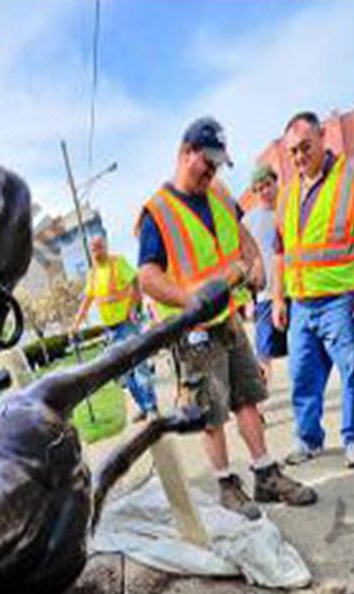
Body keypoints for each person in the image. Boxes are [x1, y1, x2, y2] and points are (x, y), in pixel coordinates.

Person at [135, 117, 318, 520]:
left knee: (247, 397)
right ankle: (225, 484)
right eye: (207, 163)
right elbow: (147, 276)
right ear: (185, 154)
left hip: (229, 319)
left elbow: (241, 233)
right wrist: (190, 300)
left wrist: (254, 263)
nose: (212, 172)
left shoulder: (218, 193)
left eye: (218, 165)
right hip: (194, 331)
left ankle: (265, 474)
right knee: (210, 412)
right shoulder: (158, 212)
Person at [274, 112, 354, 469]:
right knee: (302, 377)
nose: (299, 156)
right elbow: (281, 251)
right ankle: (308, 439)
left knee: (352, 371)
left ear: (323, 137)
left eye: (306, 147)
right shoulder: (287, 194)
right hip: (302, 303)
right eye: (292, 151)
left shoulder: (351, 177)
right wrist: (279, 297)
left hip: (342, 298)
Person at [69, 234, 160, 421]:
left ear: (106, 246)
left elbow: (136, 281)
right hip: (110, 330)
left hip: (127, 324)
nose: (97, 251)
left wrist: (134, 307)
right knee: (124, 373)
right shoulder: (92, 273)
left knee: (140, 366)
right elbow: (87, 300)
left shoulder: (118, 263)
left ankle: (151, 408)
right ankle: (143, 406)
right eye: (93, 248)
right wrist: (76, 324)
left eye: (99, 246)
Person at [242, 166, 289, 385]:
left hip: (296, 291)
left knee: (302, 347)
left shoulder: (291, 209)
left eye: (267, 185)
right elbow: (244, 262)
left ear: (275, 182)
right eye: (258, 189)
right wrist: (247, 299)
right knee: (263, 353)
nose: (264, 192)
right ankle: (260, 403)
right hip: (265, 297)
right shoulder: (249, 222)